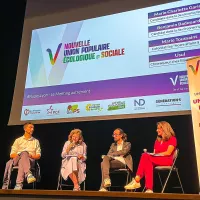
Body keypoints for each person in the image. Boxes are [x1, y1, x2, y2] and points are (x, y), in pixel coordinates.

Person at [124, 121, 177, 193]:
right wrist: (152, 154)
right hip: (157, 159)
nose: (156, 130)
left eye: (158, 128)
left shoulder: (172, 139)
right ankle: (149, 189)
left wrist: (153, 155)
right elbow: (155, 153)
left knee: (145, 156)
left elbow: (168, 153)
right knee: (147, 160)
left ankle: (137, 179)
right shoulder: (157, 140)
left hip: (167, 160)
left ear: (164, 129)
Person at [2, 122, 41, 190]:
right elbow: (12, 154)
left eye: (33, 128)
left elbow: (38, 155)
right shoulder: (18, 140)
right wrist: (21, 155)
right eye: (30, 127)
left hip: (30, 161)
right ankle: (28, 174)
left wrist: (30, 156)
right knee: (24, 153)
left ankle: (19, 184)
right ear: (25, 129)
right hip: (16, 159)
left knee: (22, 161)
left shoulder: (36, 141)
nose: (32, 129)